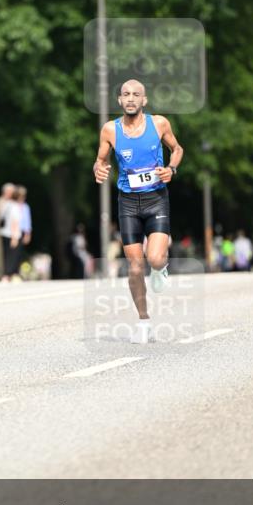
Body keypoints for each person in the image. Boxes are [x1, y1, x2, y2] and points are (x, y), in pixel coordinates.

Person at [93, 79, 184, 344]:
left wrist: (172, 168)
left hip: (156, 198)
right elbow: (100, 159)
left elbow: (177, 149)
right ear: (119, 100)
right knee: (134, 267)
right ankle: (144, 322)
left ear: (144, 100)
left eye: (136, 95)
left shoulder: (159, 124)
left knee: (154, 258)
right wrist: (98, 169)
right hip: (128, 203)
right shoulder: (110, 130)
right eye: (125, 94)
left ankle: (160, 268)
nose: (131, 98)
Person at [0, 188, 22, 282]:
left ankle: (6, 274)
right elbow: (14, 222)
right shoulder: (15, 206)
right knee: (13, 256)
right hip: (12, 234)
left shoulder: (6, 205)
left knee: (6, 254)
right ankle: (8, 274)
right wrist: (15, 237)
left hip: (4, 233)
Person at [0, 183, 15, 279]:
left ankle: (9, 273)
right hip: (2, 232)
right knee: (1, 254)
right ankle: (2, 274)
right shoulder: (0, 202)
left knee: (10, 253)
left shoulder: (11, 202)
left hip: (11, 232)